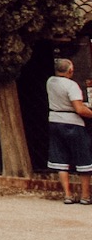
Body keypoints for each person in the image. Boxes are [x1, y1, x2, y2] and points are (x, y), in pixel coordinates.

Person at [45, 58, 92, 205]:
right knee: (83, 157)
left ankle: (68, 195)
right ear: (70, 71)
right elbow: (79, 109)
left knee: (61, 158)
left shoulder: (50, 82)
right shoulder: (72, 85)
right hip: (72, 122)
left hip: (54, 119)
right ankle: (85, 196)